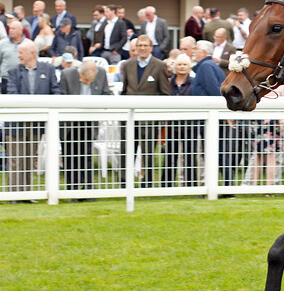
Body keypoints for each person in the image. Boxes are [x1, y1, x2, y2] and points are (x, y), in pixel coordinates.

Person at [5, 40, 60, 198]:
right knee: (16, 160)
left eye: (21, 53)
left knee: (29, 160)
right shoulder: (13, 71)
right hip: (16, 123)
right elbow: (12, 94)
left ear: (32, 54)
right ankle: (15, 195)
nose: (18, 56)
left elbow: (55, 92)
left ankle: (27, 194)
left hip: (36, 123)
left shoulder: (48, 69)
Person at [121, 35, 170, 186]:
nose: (142, 48)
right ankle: (124, 183)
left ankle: (147, 183)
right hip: (129, 116)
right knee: (127, 150)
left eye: (145, 45)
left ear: (151, 47)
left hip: (149, 118)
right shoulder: (127, 65)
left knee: (148, 151)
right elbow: (124, 90)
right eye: (139, 45)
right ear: (135, 48)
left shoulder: (159, 65)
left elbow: (165, 93)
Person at [60, 61, 111, 197]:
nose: (88, 83)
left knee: (87, 156)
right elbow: (62, 98)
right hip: (70, 124)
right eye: (85, 80)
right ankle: (73, 190)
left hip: (89, 122)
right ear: (79, 73)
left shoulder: (101, 74)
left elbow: (107, 93)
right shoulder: (67, 75)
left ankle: (88, 189)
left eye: (91, 80)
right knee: (70, 157)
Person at [163, 53, 199, 187]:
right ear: (175, 67)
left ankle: (191, 184)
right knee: (170, 155)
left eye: (185, 64)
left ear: (189, 67)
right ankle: (166, 184)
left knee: (190, 156)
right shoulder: (169, 82)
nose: (182, 67)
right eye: (179, 64)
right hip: (172, 123)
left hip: (190, 124)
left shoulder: (194, 82)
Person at [0, 21, 26, 92]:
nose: (11, 31)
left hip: (24, 78)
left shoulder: (28, 43)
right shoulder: (2, 44)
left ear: (21, 30)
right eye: (10, 28)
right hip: (6, 79)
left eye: (13, 29)